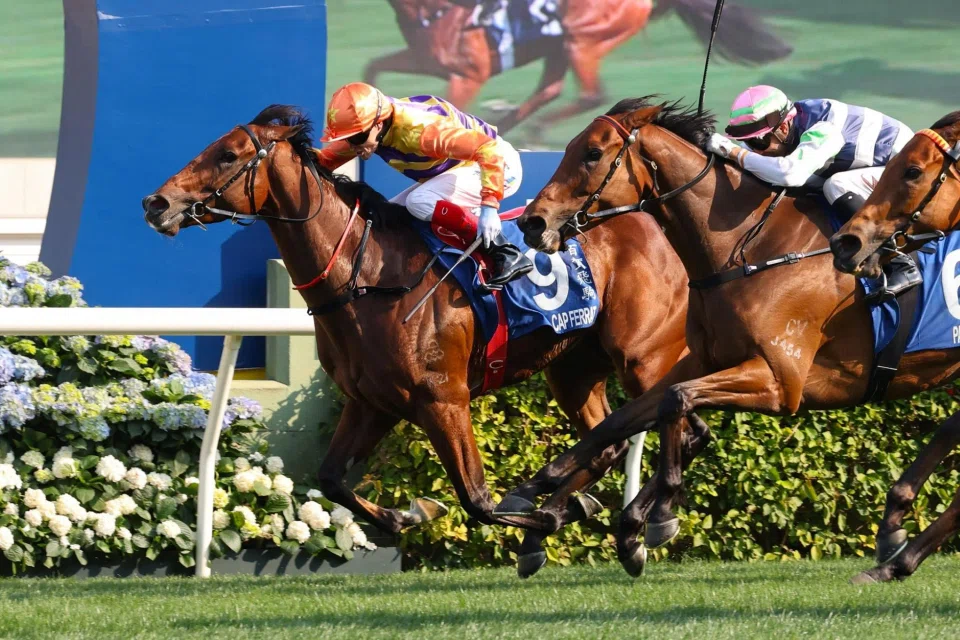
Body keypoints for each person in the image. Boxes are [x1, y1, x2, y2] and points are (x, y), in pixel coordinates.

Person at [706, 85, 920, 297]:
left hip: (907, 171)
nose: (755, 149)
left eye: (758, 141)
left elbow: (790, 174)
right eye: (746, 142)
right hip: (871, 168)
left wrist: (733, 151)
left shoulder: (823, 128)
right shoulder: (789, 126)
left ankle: (900, 263)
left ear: (782, 128)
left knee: (835, 185)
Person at [317, 82, 533, 289]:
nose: (352, 145)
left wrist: (489, 206)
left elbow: (489, 150)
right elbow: (322, 162)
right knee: (386, 217)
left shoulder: (421, 132)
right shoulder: (371, 130)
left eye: (358, 138)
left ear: (379, 124)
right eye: (348, 138)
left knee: (419, 201)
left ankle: (505, 252)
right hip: (461, 168)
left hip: (496, 164)